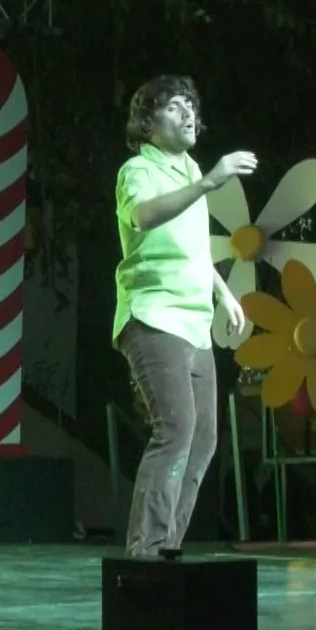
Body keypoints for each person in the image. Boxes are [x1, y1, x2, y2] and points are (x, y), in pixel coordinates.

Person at [111, 75, 257, 559]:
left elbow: (193, 250)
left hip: (194, 322)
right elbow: (145, 217)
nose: (189, 113)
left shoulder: (190, 171)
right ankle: (147, 549)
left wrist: (225, 294)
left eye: (192, 105)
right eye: (175, 107)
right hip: (154, 315)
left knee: (205, 438)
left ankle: (165, 546)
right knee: (175, 427)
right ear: (149, 122)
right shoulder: (139, 169)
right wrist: (210, 181)